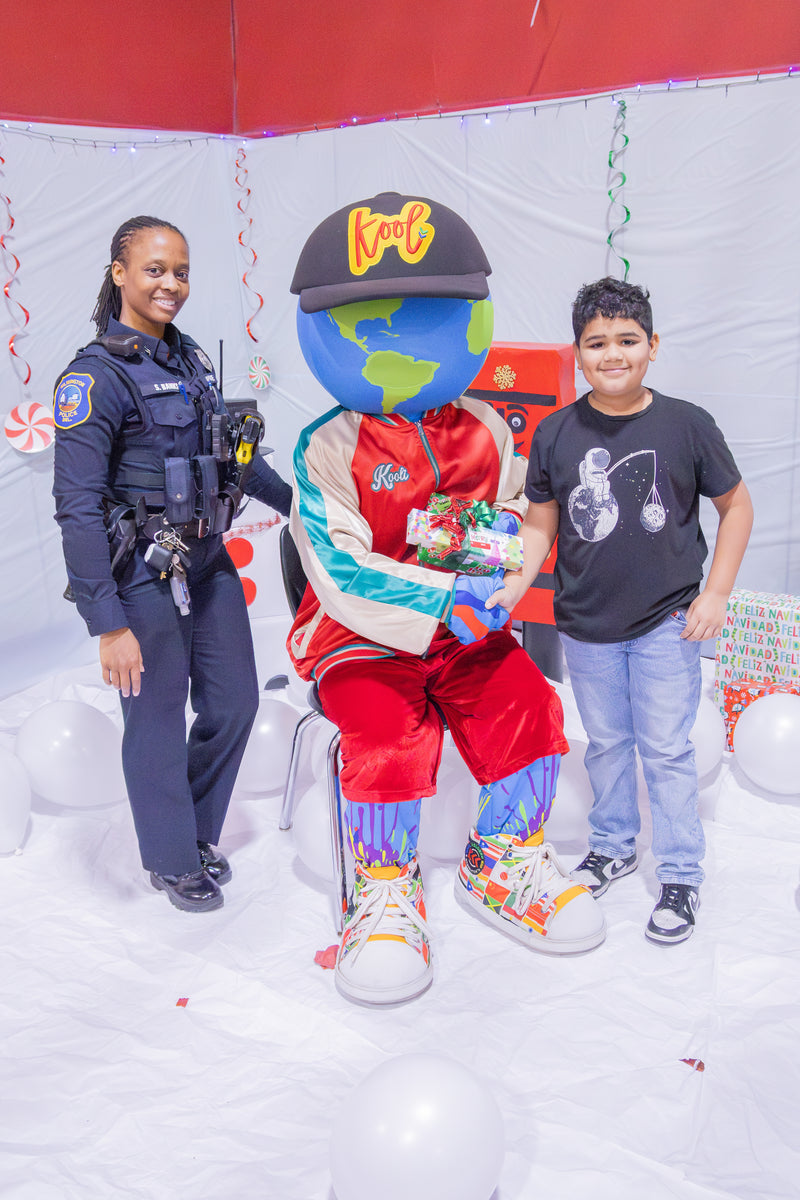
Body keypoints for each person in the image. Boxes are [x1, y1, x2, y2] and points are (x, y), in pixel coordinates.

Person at [286, 191, 605, 1007]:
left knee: (530, 702)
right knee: (389, 732)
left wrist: (494, 588)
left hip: (458, 632)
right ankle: (384, 891)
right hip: (358, 641)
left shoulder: (484, 429)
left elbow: (493, 527)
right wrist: (442, 596)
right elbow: (341, 568)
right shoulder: (325, 446)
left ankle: (502, 861)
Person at [489, 277, 753, 944]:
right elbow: (541, 526)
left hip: (668, 622)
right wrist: (515, 584)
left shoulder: (688, 425)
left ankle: (681, 874)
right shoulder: (554, 434)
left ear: (653, 346)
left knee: (665, 749)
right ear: (577, 352)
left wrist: (715, 591)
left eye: (627, 340)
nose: (613, 354)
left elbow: (736, 506)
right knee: (607, 745)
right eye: (596, 342)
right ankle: (611, 843)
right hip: (586, 625)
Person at [52, 215, 292, 912]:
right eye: (155, 270)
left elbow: (234, 461)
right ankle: (169, 856)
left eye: (181, 271)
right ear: (120, 273)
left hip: (209, 560)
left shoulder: (189, 362)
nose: (171, 284)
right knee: (155, 720)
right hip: (142, 575)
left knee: (237, 700)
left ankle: (193, 831)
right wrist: (107, 622)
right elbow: (76, 506)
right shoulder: (95, 378)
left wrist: (306, 501)